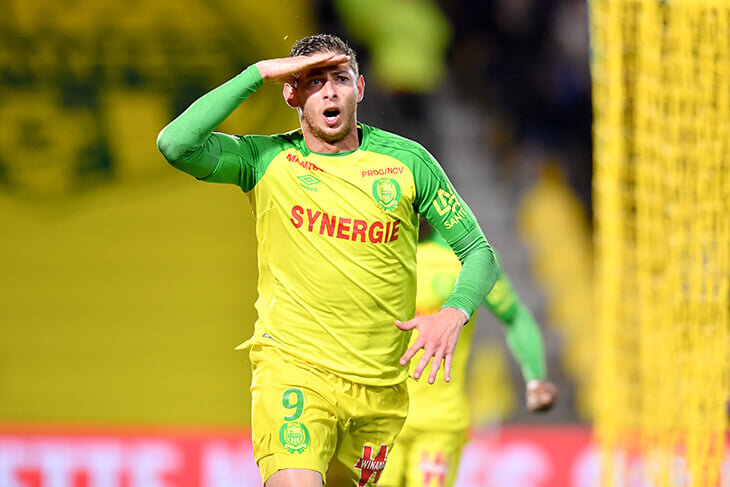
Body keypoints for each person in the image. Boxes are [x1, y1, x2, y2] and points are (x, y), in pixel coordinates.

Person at [156, 34, 500, 487]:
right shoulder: (265, 159)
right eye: (314, 81)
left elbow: (479, 253)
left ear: (360, 88)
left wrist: (454, 311)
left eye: (340, 78)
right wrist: (256, 74)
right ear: (291, 93)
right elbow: (176, 144)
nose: (330, 91)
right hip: (295, 371)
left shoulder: (408, 162)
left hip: (379, 391)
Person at [377, 223, 558, 487]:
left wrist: (535, 378)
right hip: (381, 416)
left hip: (434, 422)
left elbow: (514, 316)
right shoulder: (374, 248)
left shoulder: (469, 258)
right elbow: (515, 316)